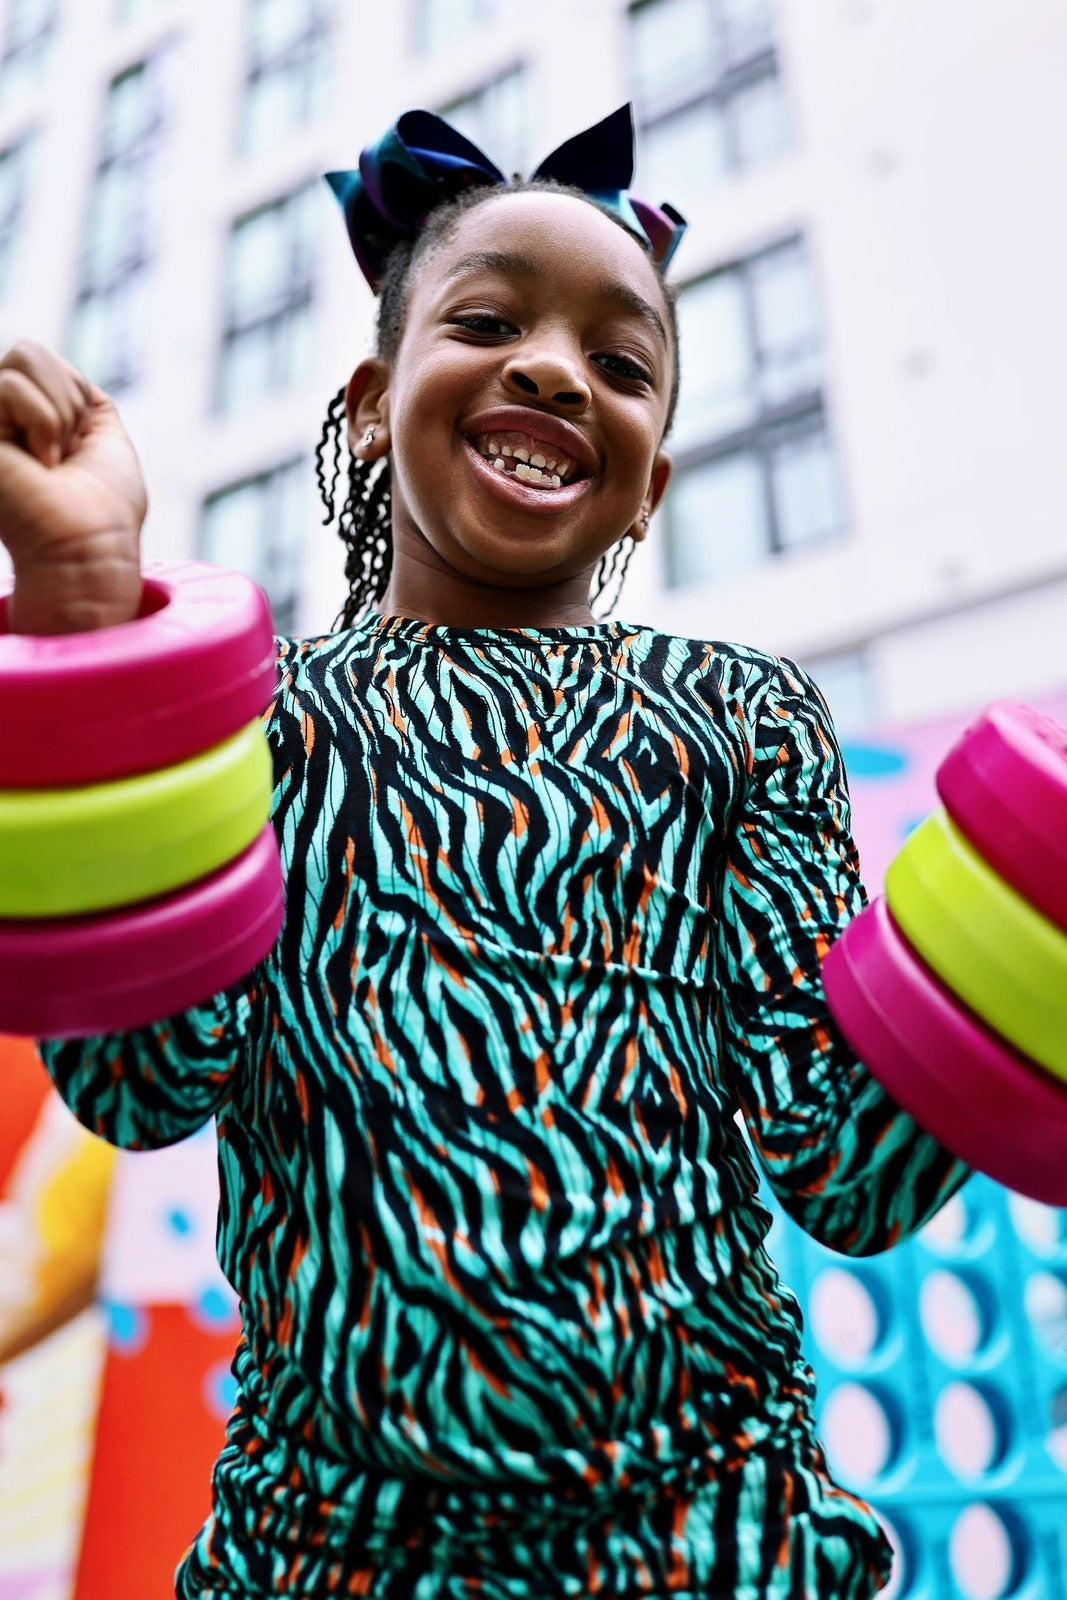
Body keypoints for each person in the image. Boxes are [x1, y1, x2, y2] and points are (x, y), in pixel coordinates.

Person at [0, 104, 968, 1599]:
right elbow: (140, 1083)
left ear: (650, 479)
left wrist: (1011, 953)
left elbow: (845, 1169)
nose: (553, 368)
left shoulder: (744, 717)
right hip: (327, 1556)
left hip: (719, 1546)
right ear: (375, 397)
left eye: (622, 362)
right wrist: (82, 616)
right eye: (491, 319)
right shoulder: (257, 720)